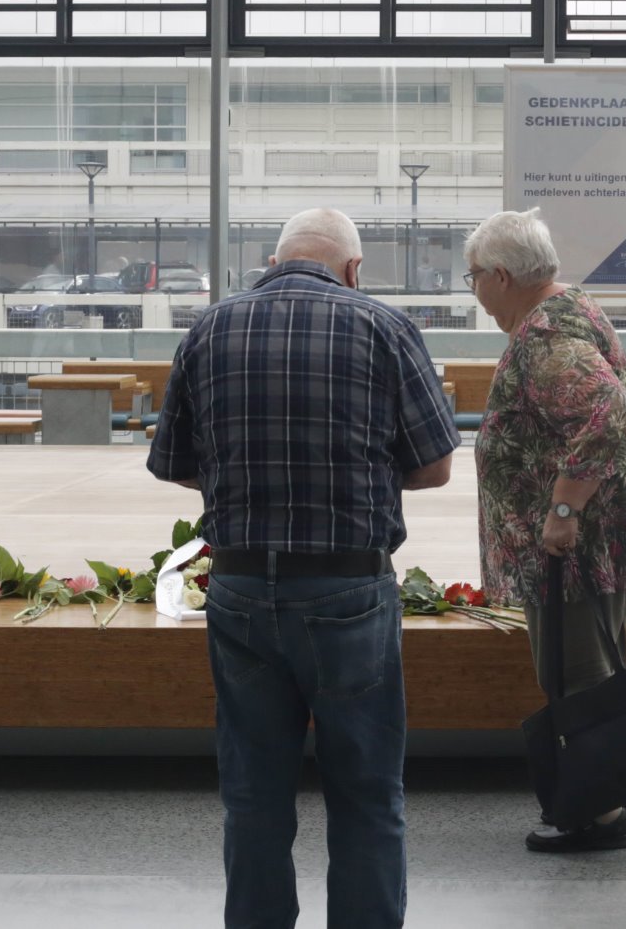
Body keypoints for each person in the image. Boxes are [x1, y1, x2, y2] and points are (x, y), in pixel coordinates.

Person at [148, 207, 459, 929]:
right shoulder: (385, 327)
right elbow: (436, 466)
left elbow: (173, 462)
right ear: (353, 268)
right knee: (366, 792)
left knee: (253, 794)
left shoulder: (208, 328)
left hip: (240, 590)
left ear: (272, 261)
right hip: (349, 589)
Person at [464, 208, 626, 854]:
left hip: (579, 534)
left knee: (575, 666)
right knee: (595, 662)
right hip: (599, 525)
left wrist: (563, 507)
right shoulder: (566, 311)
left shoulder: (546, 337)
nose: (474, 290)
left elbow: (607, 412)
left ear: (502, 276)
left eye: (473, 277)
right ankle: (614, 791)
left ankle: (600, 815)